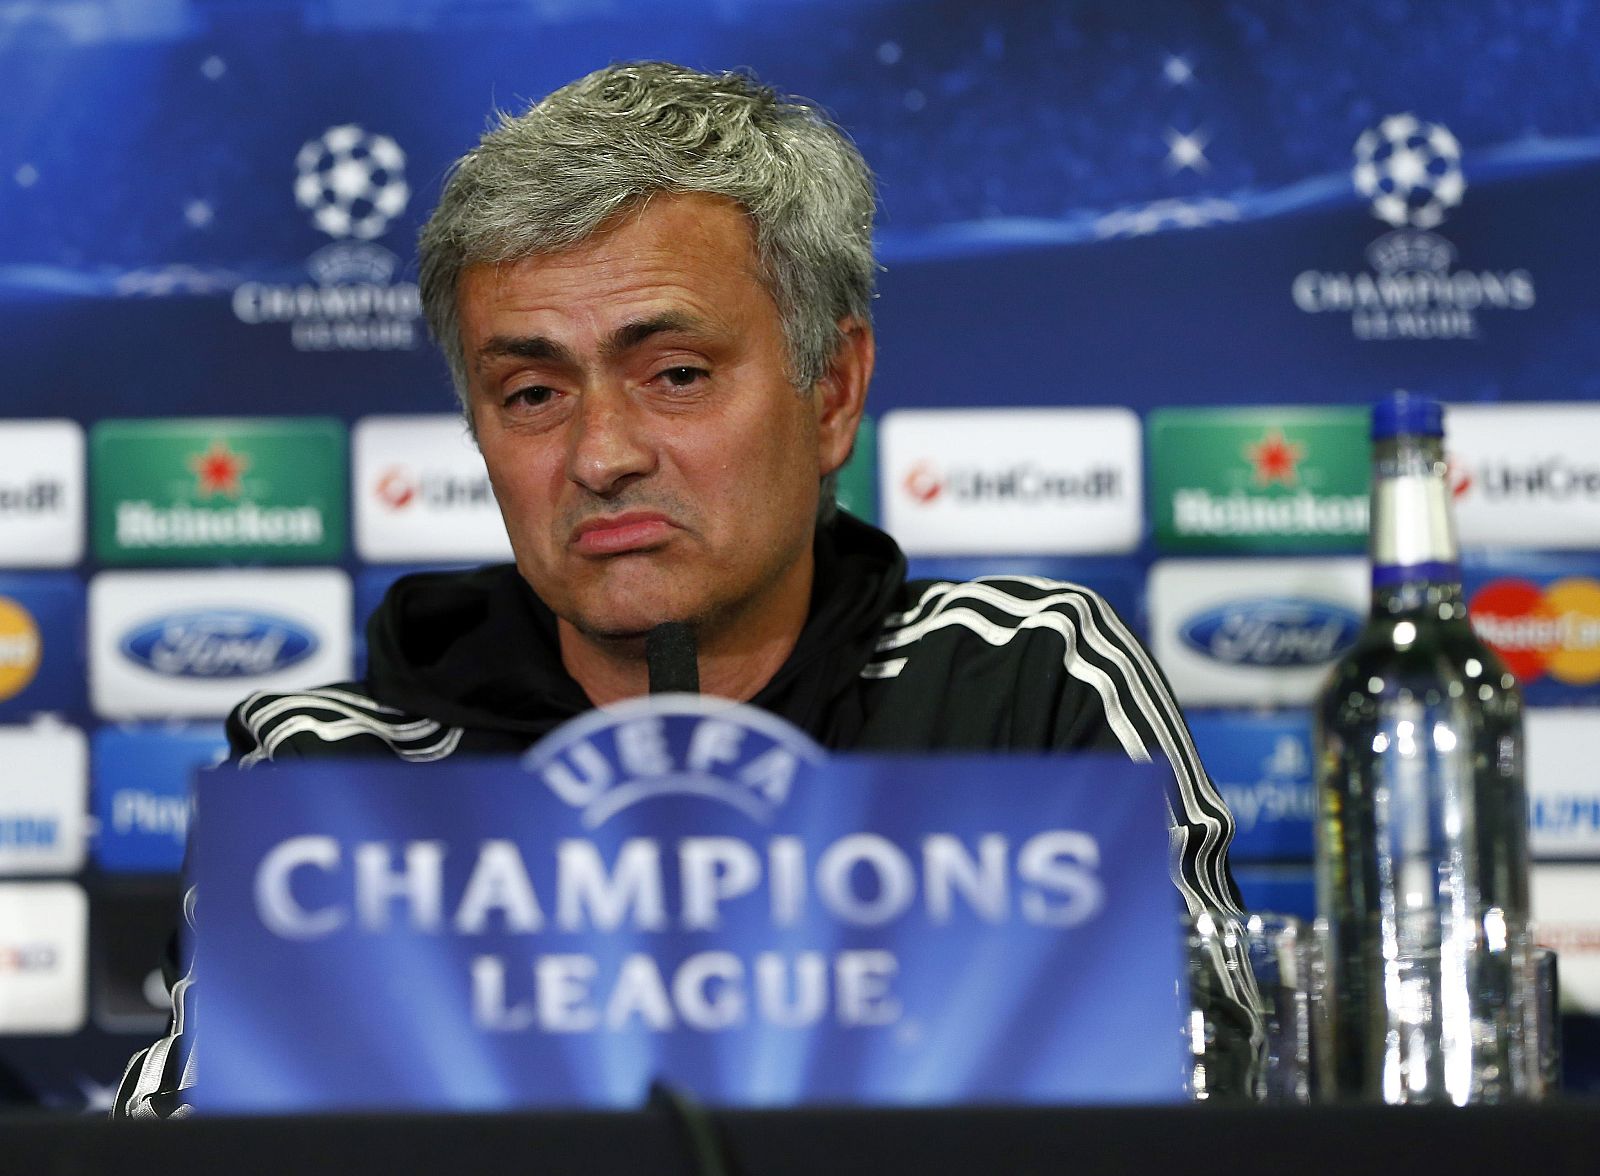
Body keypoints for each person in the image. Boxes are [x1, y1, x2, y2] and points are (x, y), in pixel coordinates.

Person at [114, 61, 1246, 1118]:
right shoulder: (330, 777)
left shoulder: (1022, 684)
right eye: (531, 393)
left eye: (676, 375)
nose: (602, 453)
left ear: (833, 391)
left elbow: (1219, 1091)